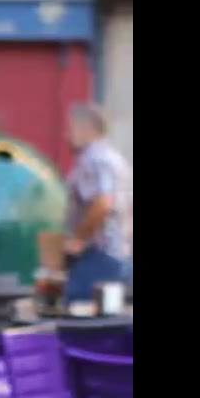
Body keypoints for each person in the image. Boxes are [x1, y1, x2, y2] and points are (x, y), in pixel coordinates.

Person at [62, 103, 133, 302]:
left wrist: (77, 240)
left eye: (71, 129)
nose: (67, 135)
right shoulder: (117, 160)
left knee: (78, 312)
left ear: (85, 129)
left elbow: (103, 203)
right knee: (110, 316)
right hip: (120, 255)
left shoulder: (93, 160)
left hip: (97, 257)